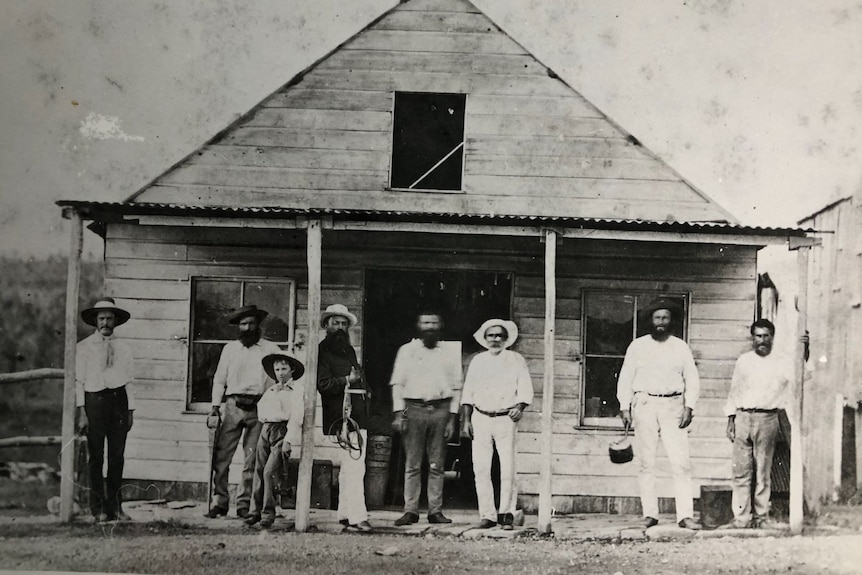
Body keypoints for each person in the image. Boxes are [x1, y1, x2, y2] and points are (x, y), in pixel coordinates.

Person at [617, 297, 702, 530]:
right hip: (644, 405)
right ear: (650, 321)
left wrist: (689, 406)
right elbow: (625, 378)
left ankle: (684, 516)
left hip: (673, 405)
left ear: (671, 320)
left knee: (681, 462)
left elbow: (692, 378)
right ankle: (650, 514)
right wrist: (625, 406)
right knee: (646, 463)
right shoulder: (638, 346)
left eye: (665, 318)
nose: (661, 322)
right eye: (657, 318)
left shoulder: (680, 346)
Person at [206, 304, 282, 519]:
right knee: (221, 457)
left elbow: (281, 378)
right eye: (243, 324)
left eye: (251, 323)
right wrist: (214, 408)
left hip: (259, 407)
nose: (248, 328)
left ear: (259, 325)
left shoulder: (271, 349)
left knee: (251, 459)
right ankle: (219, 502)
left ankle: (244, 503)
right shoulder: (230, 349)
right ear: (238, 326)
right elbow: (219, 379)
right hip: (232, 406)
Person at [390, 310, 462, 526]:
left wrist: (451, 419)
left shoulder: (450, 352)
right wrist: (400, 416)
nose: (430, 326)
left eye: (434, 322)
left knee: (436, 465)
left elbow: (457, 387)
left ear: (441, 325)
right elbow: (398, 385)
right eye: (425, 322)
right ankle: (410, 511)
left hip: (440, 411)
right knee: (412, 464)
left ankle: (435, 511)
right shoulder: (407, 351)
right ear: (418, 326)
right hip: (413, 410)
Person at [722, 319, 795, 529]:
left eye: (766, 336)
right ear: (752, 338)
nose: (762, 340)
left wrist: (805, 351)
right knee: (741, 471)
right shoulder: (744, 361)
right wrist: (731, 419)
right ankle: (741, 518)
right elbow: (734, 391)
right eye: (758, 336)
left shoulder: (782, 361)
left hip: (768, 418)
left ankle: (762, 517)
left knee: (763, 471)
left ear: (772, 337)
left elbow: (802, 376)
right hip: (743, 417)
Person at [460, 319, 533, 530]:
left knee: (508, 467)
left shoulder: (516, 359)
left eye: (500, 335)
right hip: (480, 417)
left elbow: (525, 388)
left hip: (505, 418)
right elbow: (468, 393)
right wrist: (466, 421)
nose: (496, 339)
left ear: (506, 338)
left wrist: (519, 407)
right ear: (485, 338)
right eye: (491, 335)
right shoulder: (478, 361)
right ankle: (488, 515)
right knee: (481, 467)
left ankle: (506, 514)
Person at [76, 297, 135, 523]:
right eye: (101, 318)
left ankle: (116, 508)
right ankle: (97, 508)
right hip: (94, 402)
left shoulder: (124, 348)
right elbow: (79, 381)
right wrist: (82, 411)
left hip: (118, 402)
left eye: (110, 318)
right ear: (95, 321)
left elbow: (130, 381)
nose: (105, 323)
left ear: (116, 320)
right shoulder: (83, 347)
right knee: (96, 457)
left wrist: (131, 411)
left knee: (117, 457)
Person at [317, 304, 373, 533]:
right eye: (335, 323)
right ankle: (358, 517)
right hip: (341, 416)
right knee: (356, 465)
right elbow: (323, 385)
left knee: (350, 467)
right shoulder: (321, 351)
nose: (340, 327)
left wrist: (366, 389)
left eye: (343, 323)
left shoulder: (348, 350)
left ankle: (345, 513)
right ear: (326, 325)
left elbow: (357, 376)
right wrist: (347, 380)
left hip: (357, 414)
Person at [245, 352, 305, 528]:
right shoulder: (271, 390)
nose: (280, 372)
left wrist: (288, 440)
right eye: (277, 369)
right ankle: (254, 511)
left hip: (281, 431)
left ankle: (268, 513)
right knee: (258, 469)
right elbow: (261, 409)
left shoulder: (297, 390)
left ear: (292, 369)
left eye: (284, 368)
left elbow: (297, 417)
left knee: (269, 472)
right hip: (266, 429)